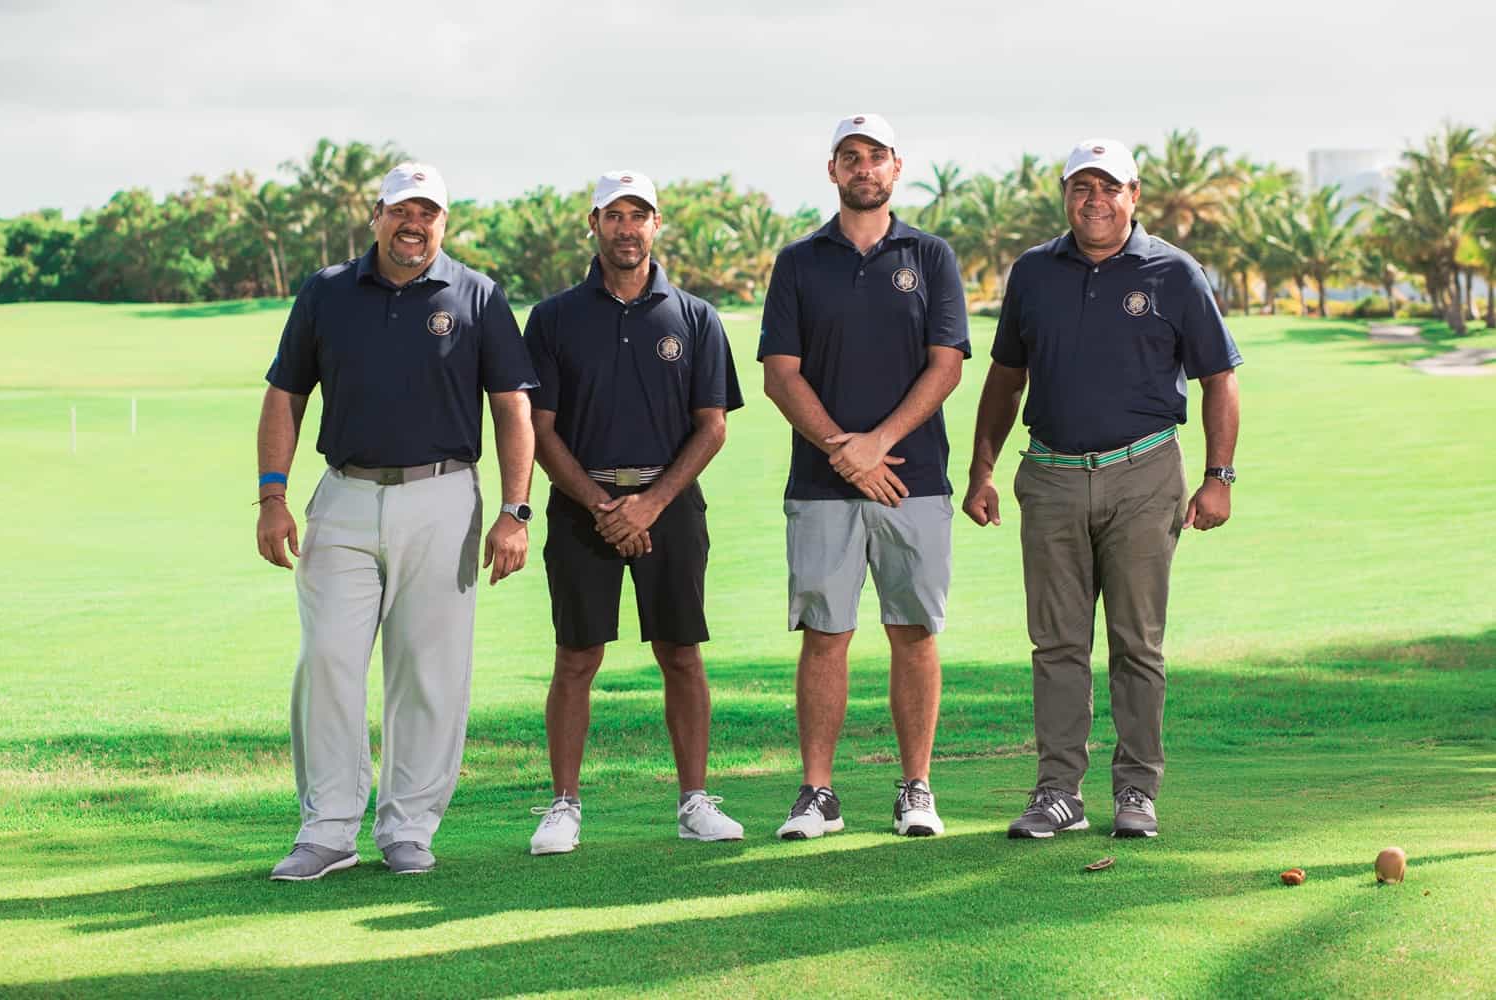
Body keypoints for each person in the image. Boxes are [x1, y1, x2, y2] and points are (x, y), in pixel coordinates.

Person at [256, 162, 538, 879]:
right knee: (327, 660)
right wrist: (271, 496)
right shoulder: (326, 292)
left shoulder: (476, 294)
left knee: (430, 671)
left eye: (429, 214)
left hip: (444, 499)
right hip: (344, 497)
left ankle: (409, 826)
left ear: (443, 223)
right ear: (377, 214)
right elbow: (286, 395)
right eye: (401, 211)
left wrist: (514, 511)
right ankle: (327, 828)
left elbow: (512, 407)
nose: (414, 225)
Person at [963, 138, 1242, 840]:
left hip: (1145, 474)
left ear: (1134, 194)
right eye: (1081, 186)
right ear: (1065, 195)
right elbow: (1005, 377)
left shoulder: (1176, 274)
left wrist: (1218, 477)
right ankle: (1058, 792)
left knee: (1136, 643)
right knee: (1056, 646)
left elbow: (1220, 378)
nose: (1094, 199)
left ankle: (1137, 791)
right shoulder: (1033, 272)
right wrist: (982, 468)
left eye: (1107, 186)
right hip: (1051, 475)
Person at [759, 115, 970, 840]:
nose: (863, 168)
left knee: (913, 629)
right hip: (821, 486)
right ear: (833, 171)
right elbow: (779, 375)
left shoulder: (931, 255)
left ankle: (916, 789)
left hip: (915, 481)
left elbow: (947, 365)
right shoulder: (797, 263)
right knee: (825, 632)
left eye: (874, 157)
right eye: (850, 157)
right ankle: (818, 793)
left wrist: (876, 444)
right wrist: (840, 449)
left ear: (895, 167)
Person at [524, 170, 746, 855]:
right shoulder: (556, 317)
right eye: (613, 215)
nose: (626, 227)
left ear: (657, 226)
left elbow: (712, 426)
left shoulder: (695, 317)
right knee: (576, 656)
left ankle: (693, 801)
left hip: (670, 504)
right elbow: (539, 426)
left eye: (638, 215)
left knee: (681, 653)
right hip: (580, 504)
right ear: (593, 224)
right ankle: (563, 806)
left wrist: (648, 505)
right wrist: (600, 505)